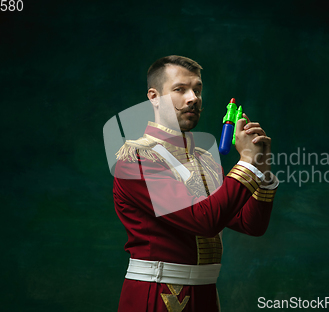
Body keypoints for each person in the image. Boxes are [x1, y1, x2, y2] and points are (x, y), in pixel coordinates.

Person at [113, 55, 279, 312]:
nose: (193, 98)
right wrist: (245, 161)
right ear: (154, 97)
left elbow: (250, 224)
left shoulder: (205, 160)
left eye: (197, 90)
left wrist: (260, 168)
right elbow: (203, 221)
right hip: (157, 295)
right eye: (180, 89)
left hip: (206, 295)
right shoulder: (136, 158)